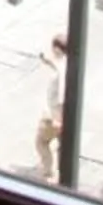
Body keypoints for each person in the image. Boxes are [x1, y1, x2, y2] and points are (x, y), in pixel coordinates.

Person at [35, 33, 69, 183]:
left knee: (41, 142)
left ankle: (48, 173)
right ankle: (64, 175)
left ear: (57, 49)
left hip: (53, 116)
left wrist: (57, 121)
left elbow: (61, 99)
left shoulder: (60, 74)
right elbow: (57, 64)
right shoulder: (67, 64)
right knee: (63, 146)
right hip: (64, 117)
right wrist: (47, 61)